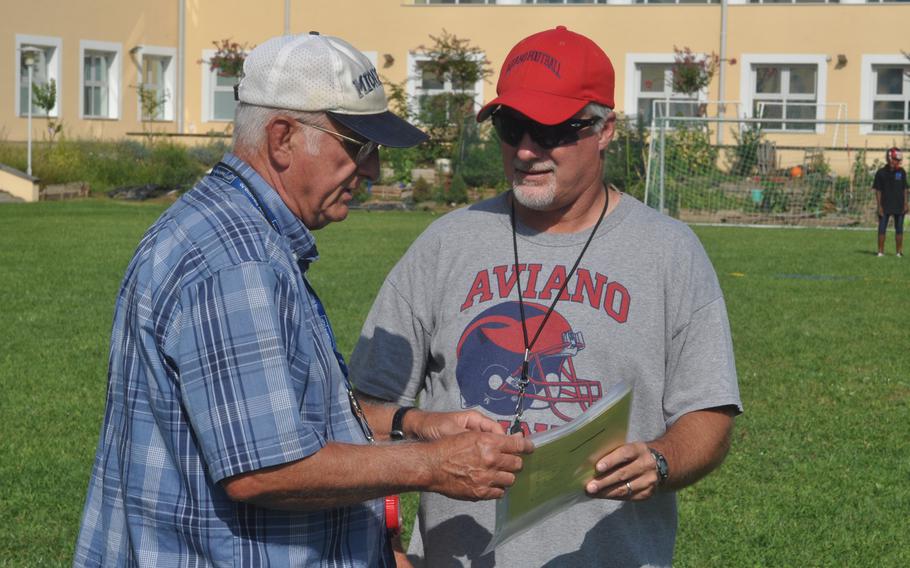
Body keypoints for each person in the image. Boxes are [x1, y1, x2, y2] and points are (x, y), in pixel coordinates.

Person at [73, 32, 533, 568]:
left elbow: (282, 415)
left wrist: (413, 423)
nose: (374, 171)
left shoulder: (242, 235)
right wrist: (432, 464)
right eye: (359, 146)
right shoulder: (235, 262)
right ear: (282, 138)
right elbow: (265, 468)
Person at [350, 26, 742, 567]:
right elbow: (358, 411)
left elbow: (709, 413)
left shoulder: (670, 252)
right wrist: (386, 540)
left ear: (605, 130)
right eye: (512, 127)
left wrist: (663, 459)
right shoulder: (445, 243)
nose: (527, 150)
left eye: (552, 129)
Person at [872, 147, 908, 257]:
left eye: (898, 160)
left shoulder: (901, 172)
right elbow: (878, 190)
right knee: (882, 229)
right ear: (889, 158)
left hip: (899, 205)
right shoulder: (880, 173)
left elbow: (905, 189)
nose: (897, 162)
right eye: (895, 159)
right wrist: (879, 206)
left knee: (899, 229)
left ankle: (899, 252)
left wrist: (906, 203)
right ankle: (880, 251)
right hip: (885, 205)